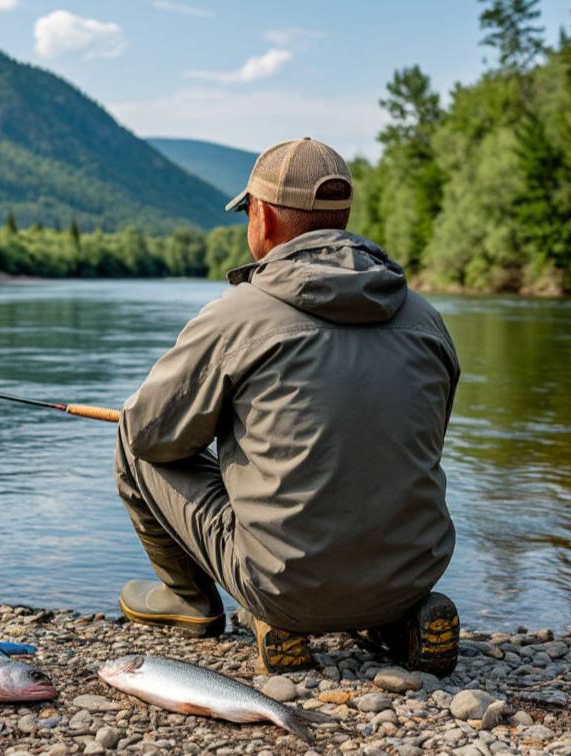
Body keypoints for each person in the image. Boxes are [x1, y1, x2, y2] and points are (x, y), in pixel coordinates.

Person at [114, 137, 461, 675]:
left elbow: (151, 436)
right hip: (414, 573)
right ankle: (401, 617)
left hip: (283, 585)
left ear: (266, 218)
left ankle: (194, 602)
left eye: (248, 211)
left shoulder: (238, 316)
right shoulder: (425, 318)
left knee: (130, 441)